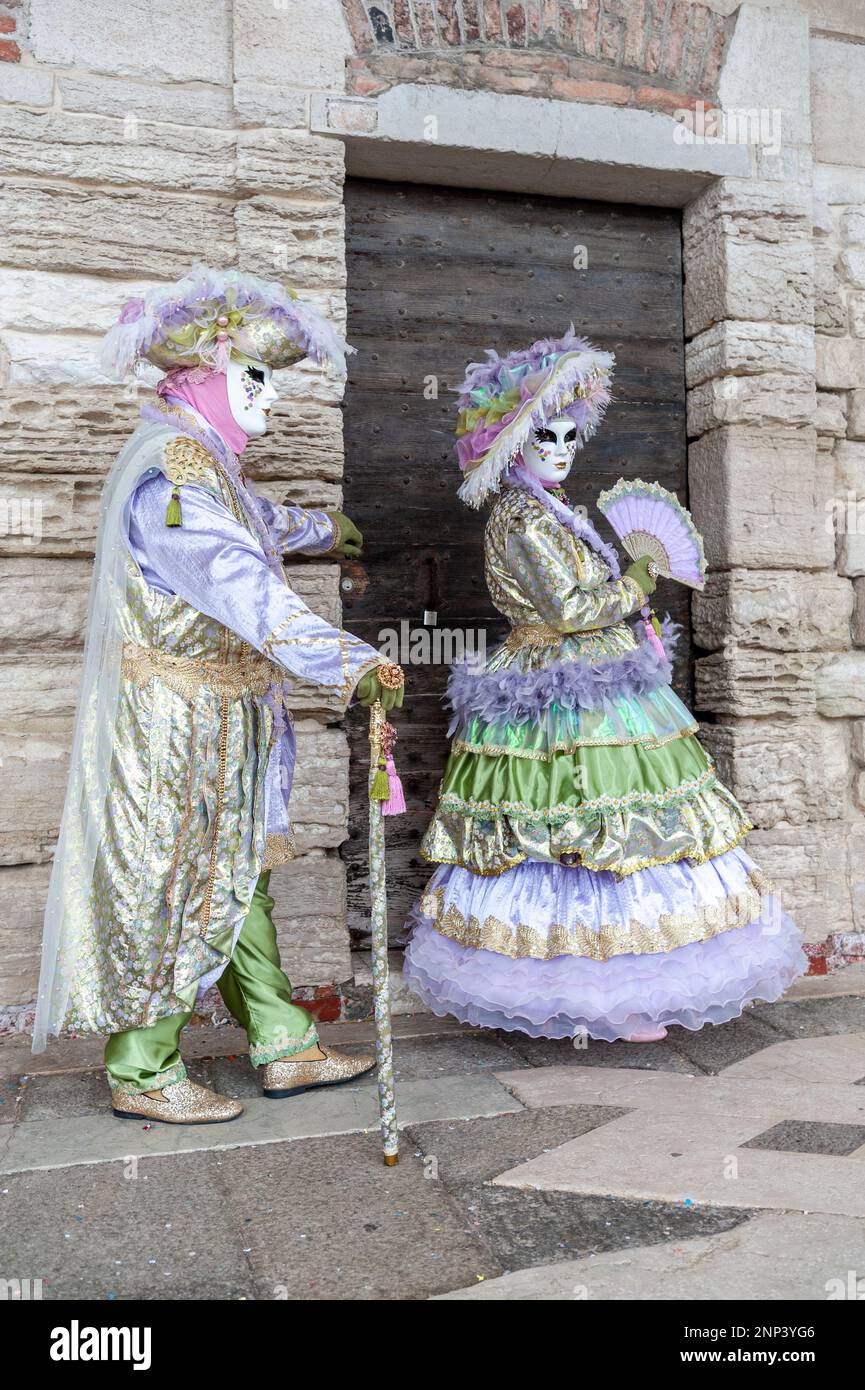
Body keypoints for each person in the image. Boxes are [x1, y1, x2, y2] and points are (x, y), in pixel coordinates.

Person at [32, 265, 405, 1124]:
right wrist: (346, 660)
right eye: (255, 381)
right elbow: (238, 581)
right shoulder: (172, 478)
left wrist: (325, 528)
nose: (270, 402)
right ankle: (142, 1071)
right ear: (205, 379)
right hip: (177, 723)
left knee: (237, 877)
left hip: (226, 714)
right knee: (171, 880)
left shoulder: (205, 466)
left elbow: (256, 524)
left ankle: (282, 1043)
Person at [403, 329, 805, 1042]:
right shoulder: (520, 515)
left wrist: (626, 588)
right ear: (513, 443)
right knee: (571, 825)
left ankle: (636, 982)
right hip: (552, 687)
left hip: (602, 679)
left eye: (567, 437)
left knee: (629, 821)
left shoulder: (556, 508)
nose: (558, 451)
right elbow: (566, 611)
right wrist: (634, 582)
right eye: (542, 437)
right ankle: (593, 994)